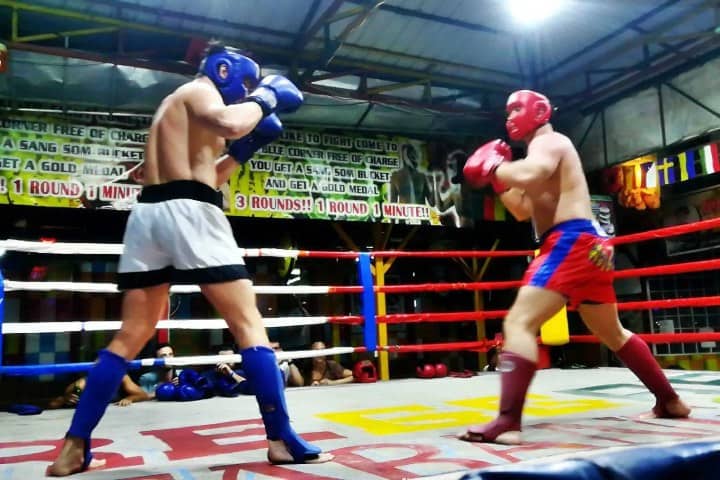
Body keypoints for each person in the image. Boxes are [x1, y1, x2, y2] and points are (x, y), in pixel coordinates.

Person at [47, 42, 330, 476]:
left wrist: (245, 149)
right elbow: (230, 124)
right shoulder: (200, 92)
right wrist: (266, 96)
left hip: (150, 217)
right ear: (223, 70)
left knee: (130, 335)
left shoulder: (174, 112)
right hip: (190, 213)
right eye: (246, 83)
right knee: (249, 325)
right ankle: (281, 440)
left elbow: (206, 173)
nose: (245, 92)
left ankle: (73, 448)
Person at [459, 89, 690, 445]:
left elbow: (534, 169)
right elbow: (522, 209)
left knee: (519, 322)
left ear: (539, 111)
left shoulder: (550, 142)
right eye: (507, 111)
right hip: (590, 247)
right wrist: (497, 179)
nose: (509, 117)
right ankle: (670, 401)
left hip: (571, 240)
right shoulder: (534, 155)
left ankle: (508, 421)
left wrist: (494, 166)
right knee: (613, 333)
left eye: (516, 108)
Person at [47, 374, 151, 409]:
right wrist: (69, 397)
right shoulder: (83, 383)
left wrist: (130, 398)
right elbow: (76, 389)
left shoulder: (120, 377)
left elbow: (143, 395)